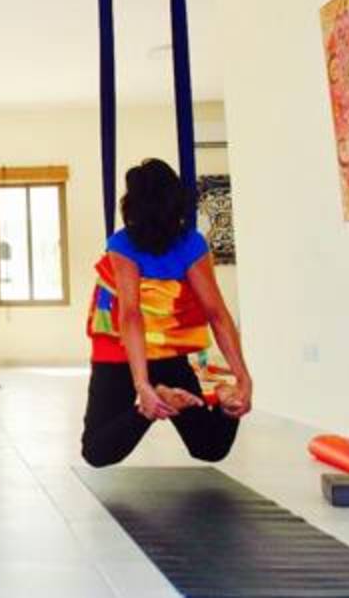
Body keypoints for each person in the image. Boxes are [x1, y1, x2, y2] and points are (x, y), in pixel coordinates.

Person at [81, 158, 253, 467]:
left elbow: (131, 314)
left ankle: (151, 406)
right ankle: (161, 399)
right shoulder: (186, 244)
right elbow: (215, 312)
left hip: (132, 354)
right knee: (209, 447)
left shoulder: (126, 243)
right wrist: (143, 384)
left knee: (97, 452)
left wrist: (242, 379)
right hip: (136, 355)